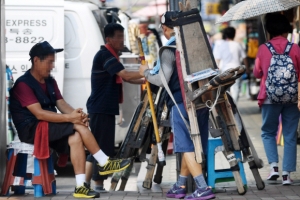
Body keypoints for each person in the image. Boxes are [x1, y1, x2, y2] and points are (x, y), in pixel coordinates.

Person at [9, 41, 131, 198]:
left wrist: (77, 115)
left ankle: (81, 186)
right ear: (36, 60)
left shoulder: (50, 81)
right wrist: (72, 118)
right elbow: (39, 114)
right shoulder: (23, 84)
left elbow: (61, 103)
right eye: (50, 62)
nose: (52, 66)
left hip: (48, 126)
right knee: (77, 127)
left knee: (76, 136)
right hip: (31, 129)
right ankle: (103, 161)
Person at [139, 11, 215, 200]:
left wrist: (146, 72)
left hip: (180, 103)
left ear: (165, 29)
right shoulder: (197, 44)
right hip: (202, 101)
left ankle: (203, 187)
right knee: (190, 145)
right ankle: (181, 185)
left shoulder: (169, 50)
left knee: (185, 146)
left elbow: (160, 79)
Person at [85, 23, 147, 192]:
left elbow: (127, 78)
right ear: (109, 39)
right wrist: (144, 72)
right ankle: (92, 184)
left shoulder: (113, 56)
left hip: (105, 107)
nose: (122, 40)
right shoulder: (105, 55)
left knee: (99, 147)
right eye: (118, 37)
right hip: (100, 107)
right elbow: (125, 75)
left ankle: (90, 184)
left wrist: (145, 80)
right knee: (99, 148)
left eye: (123, 36)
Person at [253, 13, 300, 185]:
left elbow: (257, 73)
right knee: (290, 134)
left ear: (269, 30)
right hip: (292, 97)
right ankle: (287, 174)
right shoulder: (294, 48)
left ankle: (273, 167)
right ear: (286, 29)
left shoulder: (264, 49)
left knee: (268, 132)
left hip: (269, 97)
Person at [213, 27, 249, 103]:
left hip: (225, 70)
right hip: (237, 70)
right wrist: (247, 68)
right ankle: (234, 105)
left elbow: (217, 60)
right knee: (236, 89)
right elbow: (245, 58)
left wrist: (217, 70)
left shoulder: (221, 45)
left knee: (226, 89)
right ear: (234, 34)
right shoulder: (238, 45)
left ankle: (229, 105)